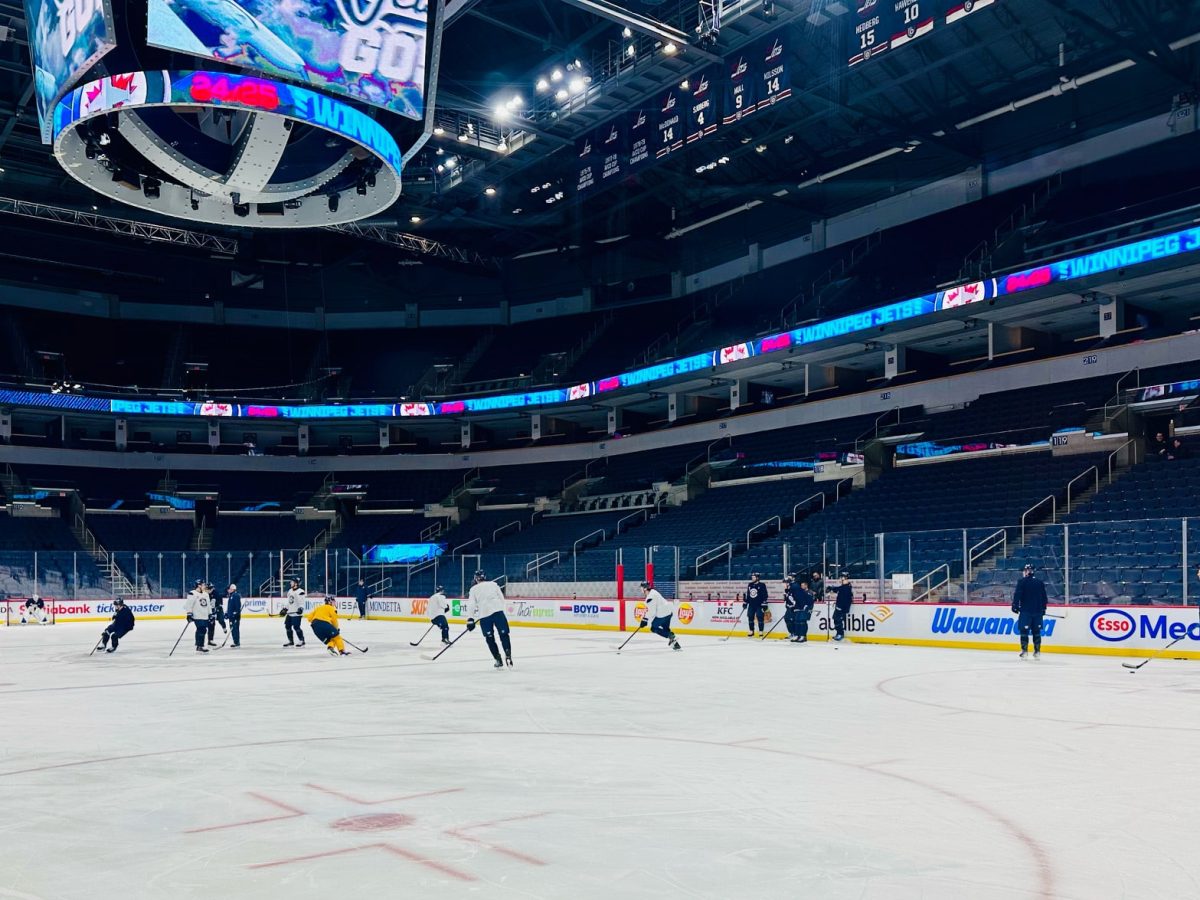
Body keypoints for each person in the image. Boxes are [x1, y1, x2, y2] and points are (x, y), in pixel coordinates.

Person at [466, 571, 512, 668]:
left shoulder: (473, 589)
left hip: (485, 616)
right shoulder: (494, 584)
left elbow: (471, 604)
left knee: (489, 638)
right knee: (504, 635)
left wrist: (470, 619)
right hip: (498, 612)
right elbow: (502, 598)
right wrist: (499, 609)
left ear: (476, 579)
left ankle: (498, 659)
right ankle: (508, 653)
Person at [1012, 563, 1049, 659]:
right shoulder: (1039, 582)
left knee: (1024, 631)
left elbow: (1017, 595)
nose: (1023, 572)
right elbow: (1044, 597)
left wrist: (1015, 606)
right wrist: (1043, 608)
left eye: (1024, 570)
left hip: (1026, 611)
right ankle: (1037, 651)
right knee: (1036, 632)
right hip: (1037, 612)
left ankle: (1024, 651)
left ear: (1027, 571)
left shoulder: (1022, 582)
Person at [640, 580, 681, 650]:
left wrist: (645, 619)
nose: (640, 589)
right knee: (666, 630)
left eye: (641, 587)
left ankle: (671, 636)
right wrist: (645, 619)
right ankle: (676, 645)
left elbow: (652, 612)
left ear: (645, 588)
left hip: (662, 614)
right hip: (669, 613)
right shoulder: (653, 591)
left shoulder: (650, 597)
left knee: (653, 628)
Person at [183, 579, 213, 653]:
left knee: (203, 630)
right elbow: (188, 605)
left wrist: (210, 614)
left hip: (205, 616)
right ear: (199, 585)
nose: (204, 586)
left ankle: (199, 645)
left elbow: (208, 605)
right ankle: (199, 646)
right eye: (203, 585)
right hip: (197, 616)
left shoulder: (206, 594)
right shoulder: (192, 593)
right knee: (201, 629)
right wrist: (189, 614)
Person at [786, 576, 815, 643]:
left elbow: (810, 600)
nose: (802, 586)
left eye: (803, 585)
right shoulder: (798, 590)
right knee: (797, 621)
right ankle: (798, 635)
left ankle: (803, 636)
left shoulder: (807, 592)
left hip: (804, 608)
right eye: (801, 585)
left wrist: (806, 607)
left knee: (802, 621)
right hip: (798, 608)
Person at [281, 579, 306, 648]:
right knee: (287, 627)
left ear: (296, 583)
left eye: (292, 582)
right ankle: (291, 641)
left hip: (296, 613)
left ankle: (302, 641)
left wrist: (301, 608)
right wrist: (285, 609)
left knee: (296, 627)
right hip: (290, 613)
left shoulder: (300, 591)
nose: (290, 583)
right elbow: (289, 602)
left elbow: (302, 602)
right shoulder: (290, 591)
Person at [829, 575, 854, 641]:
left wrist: (842, 608)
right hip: (839, 607)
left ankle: (840, 634)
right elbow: (837, 589)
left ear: (847, 580)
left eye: (844, 580)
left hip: (842, 608)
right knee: (836, 620)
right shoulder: (843, 587)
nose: (842, 581)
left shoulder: (847, 588)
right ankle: (838, 633)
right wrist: (832, 588)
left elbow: (847, 600)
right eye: (842, 580)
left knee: (838, 621)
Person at [744, 572, 768, 638]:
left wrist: (764, 603)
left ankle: (761, 631)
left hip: (759, 605)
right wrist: (745, 602)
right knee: (750, 617)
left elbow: (765, 595)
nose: (752, 578)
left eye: (754, 577)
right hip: (751, 604)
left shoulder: (762, 585)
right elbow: (748, 594)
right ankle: (751, 631)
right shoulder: (750, 585)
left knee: (760, 617)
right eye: (752, 577)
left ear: (757, 578)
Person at [205, 582, 227, 647]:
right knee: (211, 624)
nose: (207, 590)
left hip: (218, 609)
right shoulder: (204, 594)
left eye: (208, 589)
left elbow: (220, 604)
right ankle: (210, 640)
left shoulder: (217, 594)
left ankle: (224, 627)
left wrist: (216, 610)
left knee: (221, 620)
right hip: (210, 611)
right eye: (206, 589)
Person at [225, 583, 242, 648]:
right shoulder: (231, 596)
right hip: (231, 616)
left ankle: (237, 642)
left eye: (229, 589)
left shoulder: (236, 595)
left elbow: (238, 606)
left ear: (232, 589)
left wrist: (236, 614)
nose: (228, 590)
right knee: (233, 629)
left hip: (235, 617)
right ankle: (235, 642)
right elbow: (230, 607)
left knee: (235, 629)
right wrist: (227, 613)